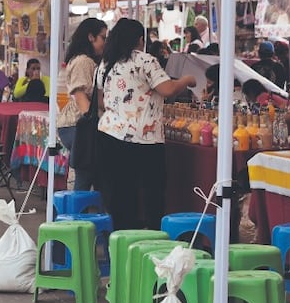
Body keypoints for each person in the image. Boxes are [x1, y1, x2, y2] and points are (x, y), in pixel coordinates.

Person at [95, 18, 195, 230]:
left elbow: (101, 100)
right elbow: (168, 89)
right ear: (141, 40)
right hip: (144, 137)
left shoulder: (106, 63)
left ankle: (121, 239)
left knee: (121, 192)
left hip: (109, 134)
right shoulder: (145, 60)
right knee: (152, 192)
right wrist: (186, 80)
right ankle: (151, 236)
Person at [58, 18, 107, 191]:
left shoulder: (83, 60)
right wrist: (92, 123)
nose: (105, 43)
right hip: (78, 125)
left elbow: (94, 97)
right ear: (91, 37)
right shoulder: (84, 61)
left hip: (78, 125)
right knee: (85, 174)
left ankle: (81, 213)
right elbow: (81, 96)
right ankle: (78, 214)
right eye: (103, 37)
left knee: (89, 172)